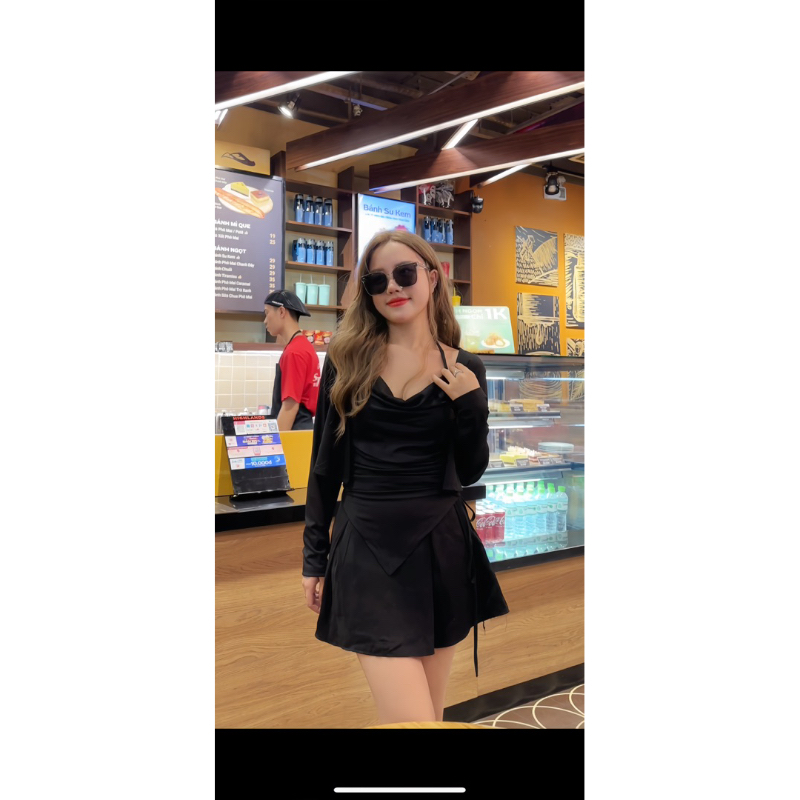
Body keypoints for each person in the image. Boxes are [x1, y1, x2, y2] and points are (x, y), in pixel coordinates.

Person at [301, 230, 509, 725]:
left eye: (405, 273)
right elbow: (325, 468)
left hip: (442, 549)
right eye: (377, 280)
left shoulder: (465, 368)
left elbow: (470, 470)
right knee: (411, 720)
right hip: (366, 550)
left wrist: (472, 405)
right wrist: (314, 556)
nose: (392, 286)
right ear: (368, 294)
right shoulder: (345, 362)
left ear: (432, 278)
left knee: (428, 717)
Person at [263, 290, 321, 431]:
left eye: (267, 313)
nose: (265, 321)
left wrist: (277, 441)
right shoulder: (305, 346)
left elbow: (290, 407)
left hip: (294, 431)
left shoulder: (294, 352)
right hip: (303, 429)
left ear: (282, 312)